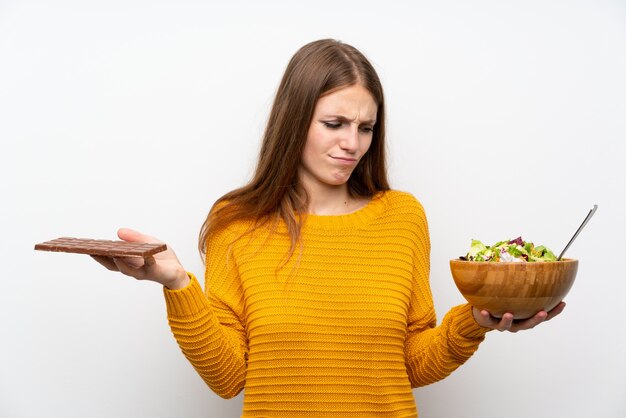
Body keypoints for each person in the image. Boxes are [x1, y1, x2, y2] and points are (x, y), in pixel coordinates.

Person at [92, 39, 565, 417]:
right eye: (335, 123)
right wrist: (177, 284)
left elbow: (411, 363)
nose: (352, 144)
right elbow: (230, 377)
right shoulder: (235, 222)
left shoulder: (402, 217)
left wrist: (474, 321)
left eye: (366, 128)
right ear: (295, 120)